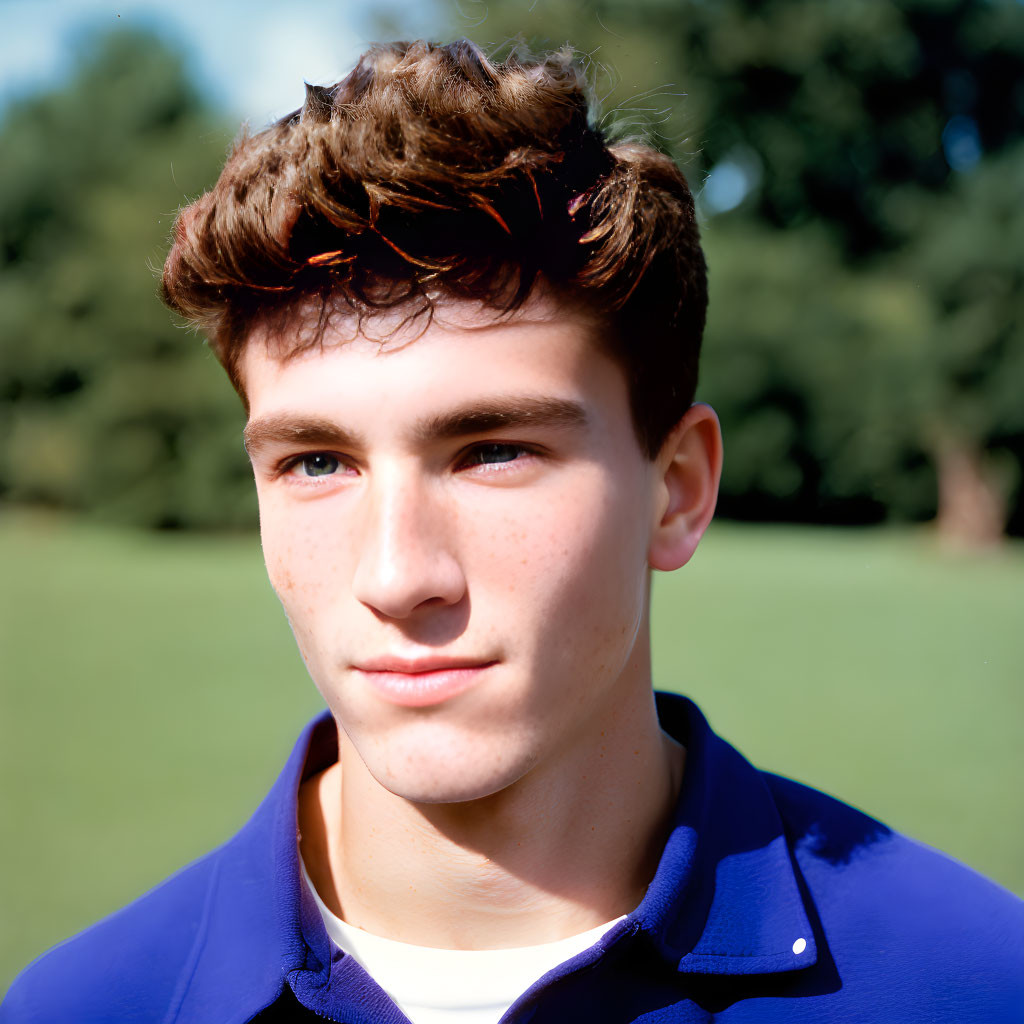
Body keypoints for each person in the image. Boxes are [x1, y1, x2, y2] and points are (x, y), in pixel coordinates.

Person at [2, 38, 1021, 1024]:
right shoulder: (82, 1008)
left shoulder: (977, 986)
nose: (397, 575)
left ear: (676, 489)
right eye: (318, 463)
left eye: (492, 451)